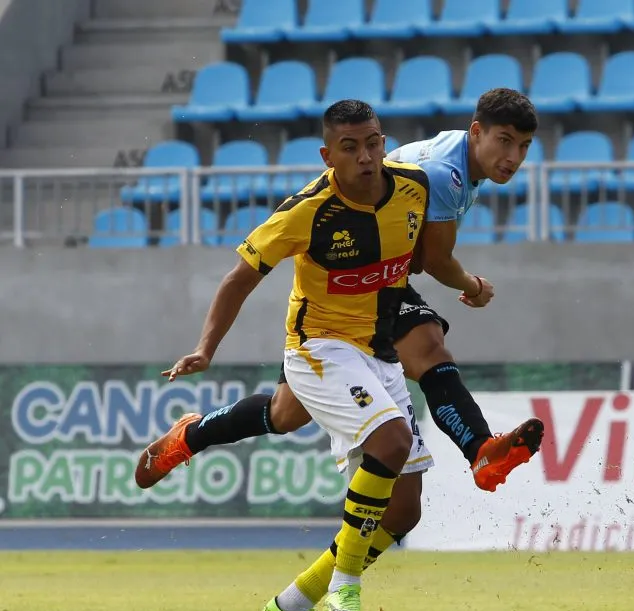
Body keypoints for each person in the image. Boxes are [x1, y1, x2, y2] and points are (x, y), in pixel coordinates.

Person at [136, 88, 543, 498]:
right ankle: (480, 449)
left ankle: (192, 435)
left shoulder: (449, 167)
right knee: (430, 351)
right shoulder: (442, 175)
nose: (513, 157)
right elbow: (432, 262)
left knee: (284, 414)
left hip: (376, 284)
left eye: (523, 146)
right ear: (476, 132)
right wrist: (474, 286)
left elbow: (419, 255)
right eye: (504, 141)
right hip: (343, 302)